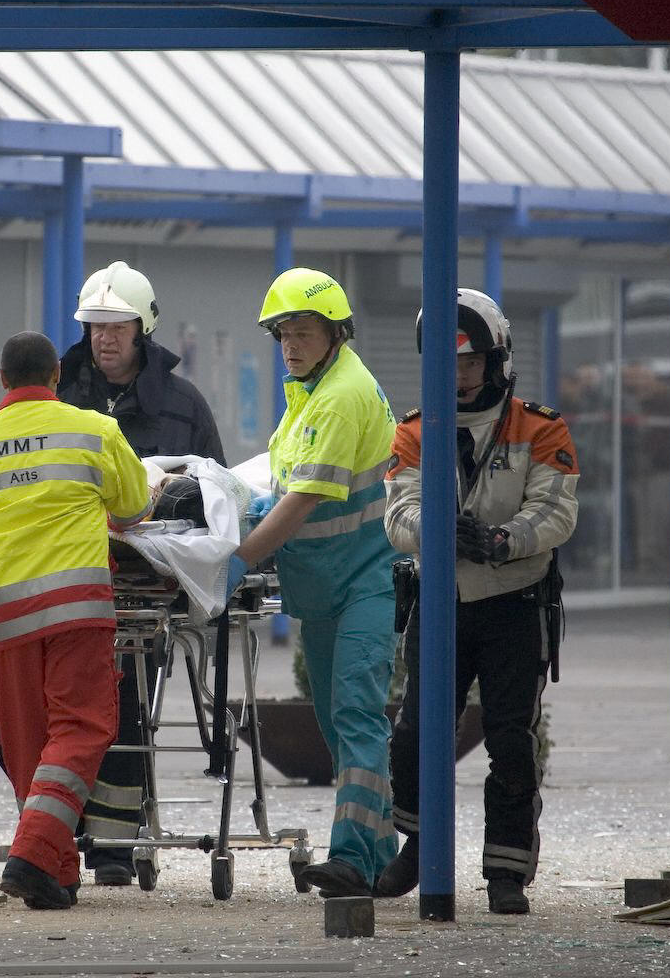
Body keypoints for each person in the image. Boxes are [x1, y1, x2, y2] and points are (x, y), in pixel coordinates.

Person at [378, 289, 579, 915]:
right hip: (440, 603)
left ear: (496, 360)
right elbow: (399, 512)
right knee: (413, 737)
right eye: (446, 365)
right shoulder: (414, 431)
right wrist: (437, 535)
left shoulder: (540, 428)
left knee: (510, 738)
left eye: (469, 363)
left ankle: (507, 871)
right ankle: (417, 845)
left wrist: (501, 540)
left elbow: (555, 510)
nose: (459, 376)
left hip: (514, 603)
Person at [229, 267, 401, 899]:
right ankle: (381, 857)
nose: (292, 345)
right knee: (337, 723)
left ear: (335, 334)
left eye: (303, 333)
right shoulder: (311, 390)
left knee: (356, 714)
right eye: (283, 335)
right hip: (329, 586)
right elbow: (281, 482)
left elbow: (301, 499)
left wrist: (238, 558)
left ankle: (353, 857)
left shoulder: (338, 396)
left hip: (365, 579)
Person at [56, 260, 225, 886]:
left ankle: (110, 848)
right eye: (95, 325)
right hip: (65, 576)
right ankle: (62, 832)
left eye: (116, 326)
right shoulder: (60, 393)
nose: (104, 337)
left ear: (142, 328)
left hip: (145, 586)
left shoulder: (183, 406)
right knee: (64, 706)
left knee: (123, 703)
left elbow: (215, 490)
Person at [0, 331, 152, 910]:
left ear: (3, 380)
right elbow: (133, 506)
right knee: (81, 727)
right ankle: (30, 854)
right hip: (75, 600)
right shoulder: (94, 430)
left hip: (6, 609)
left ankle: (55, 868)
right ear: (56, 375)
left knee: (26, 737)